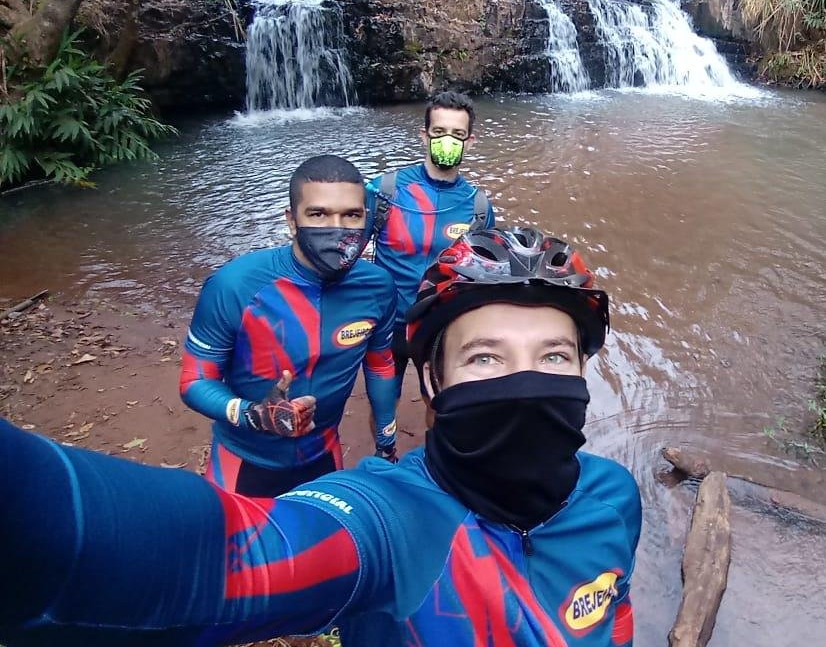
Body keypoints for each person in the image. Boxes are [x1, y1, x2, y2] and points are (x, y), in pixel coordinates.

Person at [0, 226, 641, 647]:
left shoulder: (613, 496)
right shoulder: (389, 520)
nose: (525, 382)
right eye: (485, 358)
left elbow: (614, 613)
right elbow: (218, 557)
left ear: (583, 370)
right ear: (433, 381)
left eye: (554, 356)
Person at [179, 154, 399, 498]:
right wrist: (253, 414)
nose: (337, 228)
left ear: (366, 218)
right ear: (292, 221)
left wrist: (386, 441)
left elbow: (380, 365)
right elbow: (194, 381)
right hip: (244, 463)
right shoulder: (235, 286)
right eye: (318, 214)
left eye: (351, 215)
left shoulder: (378, 286)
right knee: (230, 536)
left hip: (324, 457)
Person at [366, 91, 495, 409]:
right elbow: (348, 254)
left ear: (470, 142)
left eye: (457, 134)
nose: (447, 140)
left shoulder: (478, 206)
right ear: (424, 136)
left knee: (440, 407)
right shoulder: (385, 191)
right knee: (383, 407)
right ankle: (385, 442)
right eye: (439, 131)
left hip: (440, 327)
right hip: (387, 326)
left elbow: (483, 274)